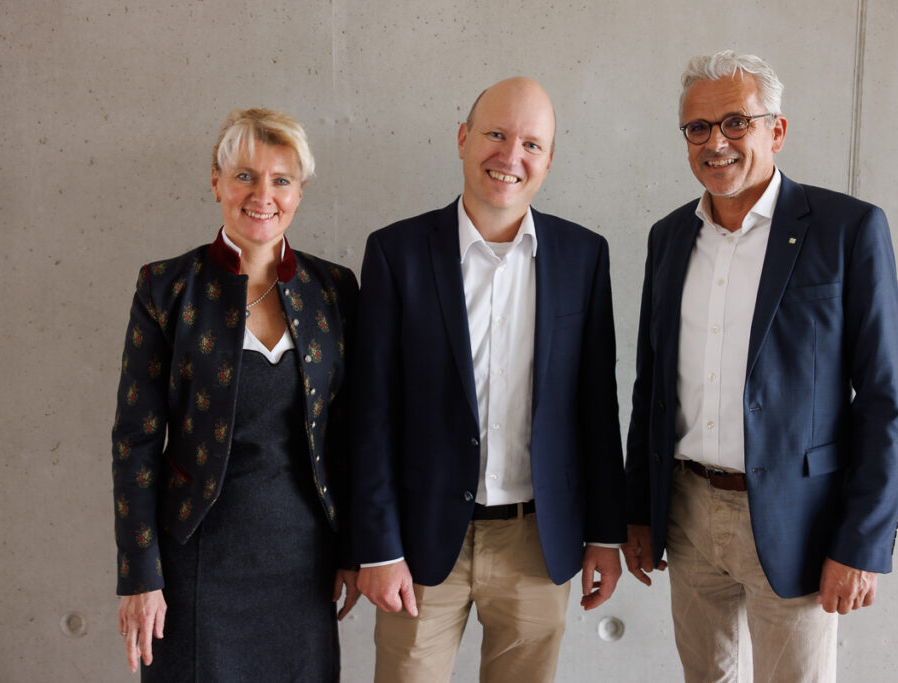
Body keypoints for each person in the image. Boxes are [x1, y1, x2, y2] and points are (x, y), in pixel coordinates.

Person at [624, 50, 898, 682]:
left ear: (775, 130)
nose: (715, 142)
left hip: (797, 520)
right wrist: (638, 510)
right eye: (698, 127)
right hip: (688, 513)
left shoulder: (847, 230)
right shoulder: (668, 238)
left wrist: (861, 542)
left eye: (735, 123)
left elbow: (882, 399)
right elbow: (652, 385)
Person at [350, 77, 626, 683]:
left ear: (548, 161)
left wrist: (606, 533)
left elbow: (596, 409)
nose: (511, 156)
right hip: (419, 546)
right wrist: (377, 546)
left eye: (531, 143)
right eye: (496, 135)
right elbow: (369, 410)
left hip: (538, 540)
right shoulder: (395, 253)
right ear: (462, 138)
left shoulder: (585, 257)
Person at [111, 108, 360, 680]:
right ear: (216, 180)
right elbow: (135, 441)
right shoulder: (166, 288)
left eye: (281, 179)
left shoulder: (334, 291)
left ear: (299, 192)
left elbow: (351, 434)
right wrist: (140, 575)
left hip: (304, 561)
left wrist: (352, 551)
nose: (262, 195)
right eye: (245, 175)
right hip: (195, 560)